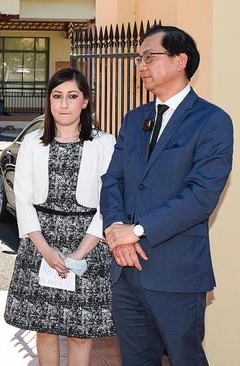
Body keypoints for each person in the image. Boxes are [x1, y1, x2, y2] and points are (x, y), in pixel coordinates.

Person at [101, 25, 233, 366]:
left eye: (150, 57)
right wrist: (117, 228)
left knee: (185, 358)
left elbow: (201, 195)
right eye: (138, 58)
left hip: (176, 274)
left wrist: (138, 231)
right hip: (126, 271)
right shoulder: (134, 120)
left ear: (180, 61)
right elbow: (113, 180)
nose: (141, 65)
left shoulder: (212, 121)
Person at [4, 68, 116, 365]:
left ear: (85, 101)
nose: (63, 104)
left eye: (72, 96)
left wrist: (78, 254)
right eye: (57, 96)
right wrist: (46, 251)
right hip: (41, 241)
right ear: (49, 101)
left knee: (81, 332)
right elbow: (24, 199)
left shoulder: (105, 144)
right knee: (45, 329)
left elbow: (110, 203)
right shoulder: (33, 143)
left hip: (88, 242)